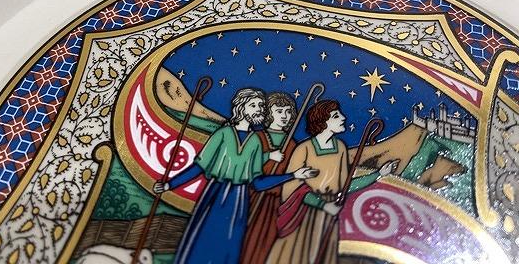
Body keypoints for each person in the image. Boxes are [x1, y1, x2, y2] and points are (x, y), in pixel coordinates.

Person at [153, 88, 317, 264]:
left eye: (260, 106)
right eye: (253, 105)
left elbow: (258, 183)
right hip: (215, 195)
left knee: (229, 246)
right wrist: (170, 185)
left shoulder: (255, 141)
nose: (259, 109)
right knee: (205, 240)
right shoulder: (223, 134)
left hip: (239, 201)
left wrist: (293, 175)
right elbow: (199, 167)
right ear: (241, 108)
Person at [266, 99, 398, 264]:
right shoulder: (304, 149)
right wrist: (322, 205)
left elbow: (345, 186)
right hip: (305, 213)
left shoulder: (340, 147)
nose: (343, 118)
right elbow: (293, 188)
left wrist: (378, 174)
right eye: (336, 116)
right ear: (322, 122)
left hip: (330, 212)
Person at [240, 92, 314, 264]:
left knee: (265, 246)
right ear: (269, 113)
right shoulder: (257, 137)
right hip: (251, 198)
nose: (284, 116)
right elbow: (249, 168)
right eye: (279, 111)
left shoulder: (292, 144)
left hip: (276, 202)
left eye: (288, 111)